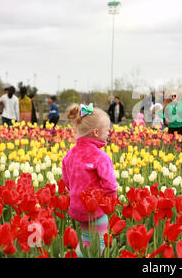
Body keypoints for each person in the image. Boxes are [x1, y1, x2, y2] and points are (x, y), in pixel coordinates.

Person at [62, 103, 118, 257]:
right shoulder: (101, 157)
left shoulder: (70, 154)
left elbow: (66, 179)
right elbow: (110, 184)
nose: (109, 134)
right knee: (101, 242)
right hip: (98, 209)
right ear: (96, 132)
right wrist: (111, 202)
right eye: (107, 131)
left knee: (86, 239)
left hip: (78, 208)